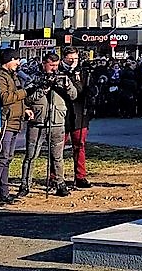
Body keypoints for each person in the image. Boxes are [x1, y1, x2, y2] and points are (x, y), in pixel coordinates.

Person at [19, 52, 77, 198]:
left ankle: (60, 184)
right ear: (44, 63)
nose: (54, 68)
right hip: (38, 122)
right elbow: (27, 98)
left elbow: (74, 95)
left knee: (57, 157)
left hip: (57, 121)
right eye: (51, 65)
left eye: (56, 65)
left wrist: (66, 86)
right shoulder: (33, 77)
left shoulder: (62, 76)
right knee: (31, 155)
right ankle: (25, 185)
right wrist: (43, 88)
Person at [0, 49, 28, 207]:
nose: (18, 63)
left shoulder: (13, 75)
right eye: (16, 59)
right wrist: (25, 92)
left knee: (8, 158)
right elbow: (5, 98)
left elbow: (17, 98)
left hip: (15, 121)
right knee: (1, 158)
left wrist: (25, 110)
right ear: (9, 60)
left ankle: (4, 193)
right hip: (5, 122)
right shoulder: (1, 76)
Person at [59, 47, 92, 189]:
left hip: (79, 114)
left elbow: (87, 90)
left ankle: (80, 176)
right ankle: (56, 177)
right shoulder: (58, 70)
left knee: (80, 145)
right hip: (62, 114)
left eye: (76, 58)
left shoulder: (84, 72)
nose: (73, 61)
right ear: (64, 58)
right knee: (58, 147)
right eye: (70, 58)